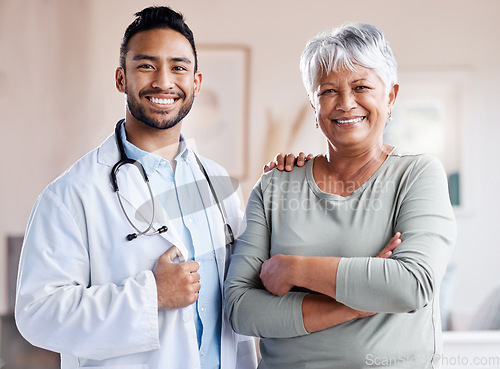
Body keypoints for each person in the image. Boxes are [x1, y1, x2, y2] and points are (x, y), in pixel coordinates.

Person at [14, 6, 301, 369]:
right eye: (146, 65)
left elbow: (250, 288)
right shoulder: (71, 195)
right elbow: (37, 314)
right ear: (122, 79)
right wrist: (151, 297)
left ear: (196, 82)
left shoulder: (218, 185)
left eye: (178, 67)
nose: (164, 81)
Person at [224, 23, 457, 368]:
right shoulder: (276, 185)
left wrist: (294, 269)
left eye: (361, 86)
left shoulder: (417, 175)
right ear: (314, 105)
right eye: (328, 91)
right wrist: (357, 302)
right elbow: (240, 309)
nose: (346, 103)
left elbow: (412, 285)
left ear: (390, 96)